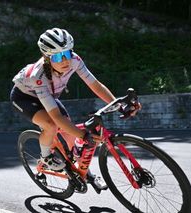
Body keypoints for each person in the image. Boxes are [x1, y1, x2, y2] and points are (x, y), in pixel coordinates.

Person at [10, 28, 141, 190]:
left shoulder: (75, 60)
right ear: (47, 57)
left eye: (68, 52)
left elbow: (96, 86)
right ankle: (45, 157)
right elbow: (57, 117)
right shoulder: (38, 75)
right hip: (24, 98)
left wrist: (119, 105)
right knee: (51, 125)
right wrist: (84, 134)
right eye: (58, 56)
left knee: (72, 138)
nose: (65, 60)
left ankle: (85, 173)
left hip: (48, 96)